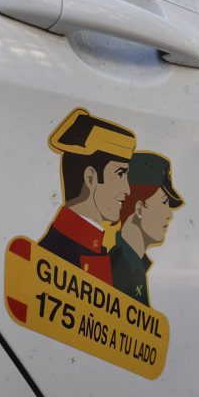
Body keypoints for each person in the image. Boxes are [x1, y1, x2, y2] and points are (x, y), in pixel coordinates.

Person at [38, 108, 136, 285]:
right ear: (90, 178)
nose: (127, 189)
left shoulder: (91, 247)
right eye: (120, 174)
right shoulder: (56, 254)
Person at [110, 151, 184, 305]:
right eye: (164, 202)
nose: (170, 215)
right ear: (139, 208)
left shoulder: (130, 264)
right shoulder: (125, 269)